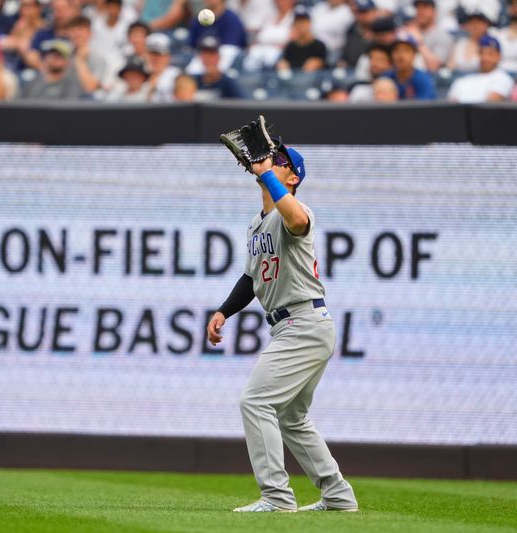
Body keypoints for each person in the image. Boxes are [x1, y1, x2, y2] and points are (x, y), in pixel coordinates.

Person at [207, 138, 358, 514]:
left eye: (279, 161)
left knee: (256, 401)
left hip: (303, 322)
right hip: (295, 325)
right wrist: (224, 311)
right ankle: (338, 497)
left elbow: (298, 221)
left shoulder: (295, 210)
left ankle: (277, 497)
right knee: (292, 417)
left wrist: (268, 176)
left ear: (292, 177)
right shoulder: (256, 223)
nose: (269, 163)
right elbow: (250, 277)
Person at [447, 35, 514, 101]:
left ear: (499, 56)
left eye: (490, 54)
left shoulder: (503, 78)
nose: (485, 58)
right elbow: (452, 106)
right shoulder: (461, 81)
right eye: (482, 53)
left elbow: (490, 106)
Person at [20, 38, 86, 99]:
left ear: (67, 61)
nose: (54, 58)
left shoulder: (72, 83)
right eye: (51, 54)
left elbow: (71, 107)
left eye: (59, 56)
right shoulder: (33, 81)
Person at [241, 0, 295, 72]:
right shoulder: (270, 15)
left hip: (278, 52)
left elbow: (293, 39)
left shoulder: (295, 17)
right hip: (259, 49)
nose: (280, 2)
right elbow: (258, 35)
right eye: (278, 1)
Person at [404, 0, 453, 72]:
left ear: (434, 12)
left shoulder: (443, 36)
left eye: (425, 7)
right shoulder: (407, 31)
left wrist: (418, 42)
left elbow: (434, 66)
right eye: (418, 7)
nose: (420, 11)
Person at [384, 32, 436, 99]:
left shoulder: (423, 79)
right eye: (396, 50)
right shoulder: (386, 77)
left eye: (406, 50)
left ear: (414, 55)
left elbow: (424, 107)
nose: (400, 55)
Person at [277, 6, 327, 72]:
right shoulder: (291, 46)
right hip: (292, 79)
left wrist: (318, 63)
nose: (301, 25)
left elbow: (325, 67)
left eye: (303, 21)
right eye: (298, 22)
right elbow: (284, 63)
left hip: (312, 80)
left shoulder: (319, 45)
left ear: (309, 23)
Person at [340, 0, 379, 69]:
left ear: (375, 12)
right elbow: (346, 55)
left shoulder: (383, 29)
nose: (363, 16)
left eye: (366, 12)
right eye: (359, 12)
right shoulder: (351, 30)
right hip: (352, 70)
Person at [145, 32, 180, 101]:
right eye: (151, 54)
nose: (154, 58)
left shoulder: (176, 76)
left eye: (158, 54)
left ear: (168, 57)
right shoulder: (137, 74)